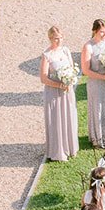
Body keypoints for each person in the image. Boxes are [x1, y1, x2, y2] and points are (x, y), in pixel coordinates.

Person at [40, 25, 78, 162]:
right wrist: (59, 84)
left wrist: (70, 81)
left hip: (67, 91)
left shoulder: (66, 51)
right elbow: (43, 78)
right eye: (56, 39)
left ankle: (70, 147)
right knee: (56, 120)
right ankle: (58, 151)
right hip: (53, 92)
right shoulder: (47, 55)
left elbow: (73, 69)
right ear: (50, 39)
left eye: (61, 38)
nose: (59, 41)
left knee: (69, 116)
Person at [81, 18, 105, 148]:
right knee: (98, 108)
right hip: (96, 83)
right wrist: (102, 77)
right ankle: (98, 138)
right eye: (100, 32)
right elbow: (86, 70)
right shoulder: (88, 46)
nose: (103, 34)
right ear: (94, 31)